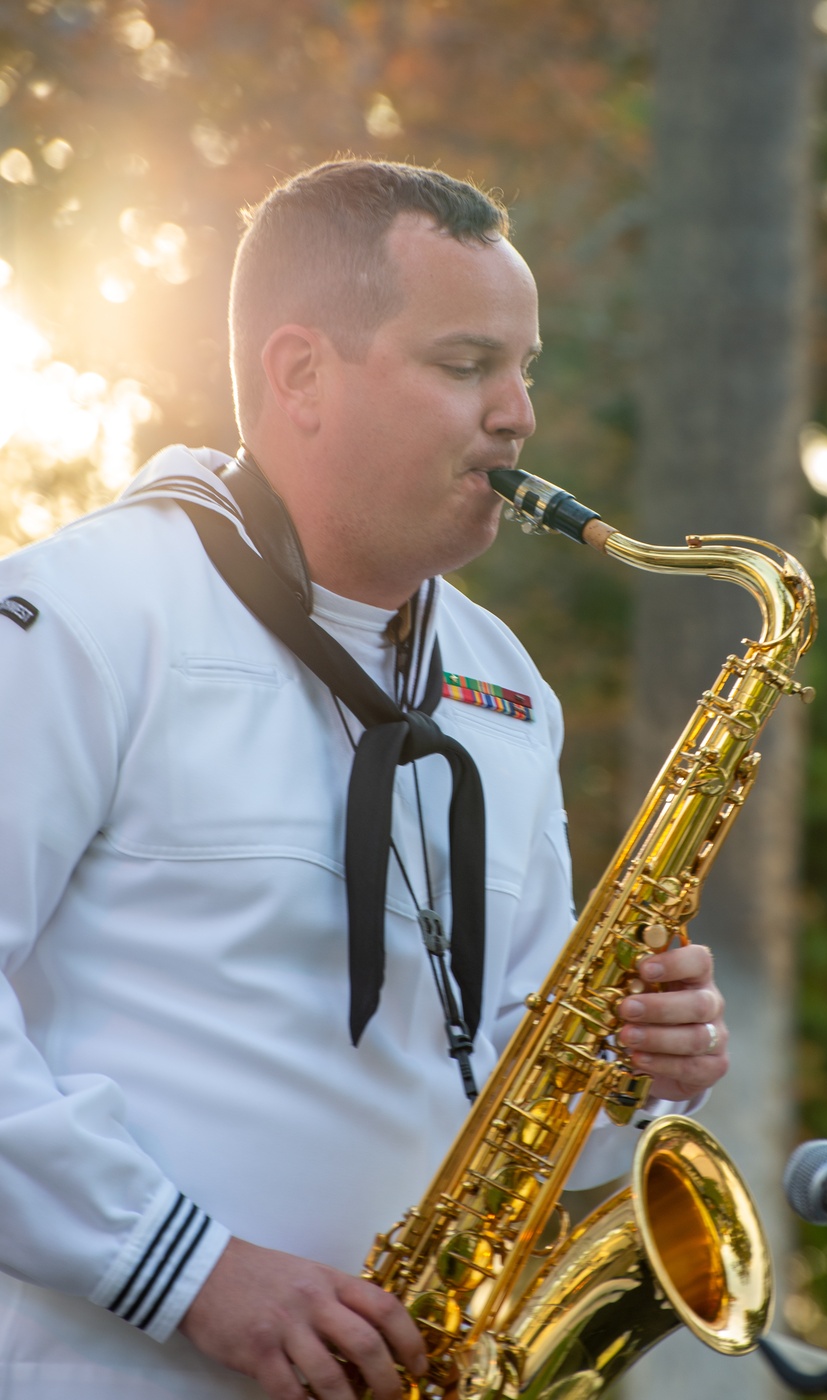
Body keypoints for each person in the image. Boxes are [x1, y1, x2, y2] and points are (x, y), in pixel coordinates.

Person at [0, 159, 730, 1400]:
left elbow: (508, 1069)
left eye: (525, 368)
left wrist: (631, 1063)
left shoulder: (505, 685)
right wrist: (190, 1271)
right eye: (464, 365)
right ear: (298, 375)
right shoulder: (81, 615)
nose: (517, 416)